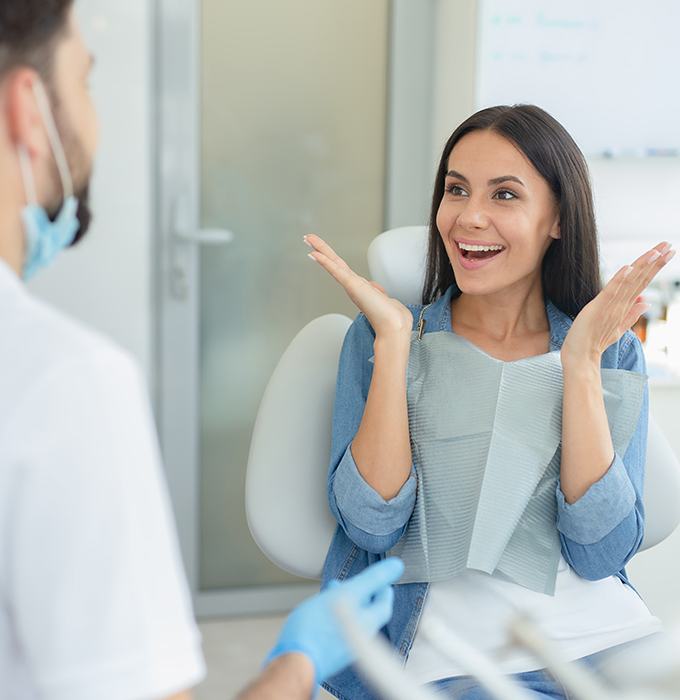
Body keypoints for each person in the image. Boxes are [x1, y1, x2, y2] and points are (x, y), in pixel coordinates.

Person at [0, 2, 401, 698]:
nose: (94, 122)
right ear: (28, 110)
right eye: (86, 82)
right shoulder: (63, 385)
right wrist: (298, 662)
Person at [306, 104, 675, 699]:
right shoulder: (385, 337)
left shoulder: (607, 351)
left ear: (557, 217)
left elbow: (600, 551)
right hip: (450, 656)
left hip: (601, 641)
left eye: (505, 195)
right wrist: (397, 346)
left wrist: (579, 364)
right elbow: (372, 525)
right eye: (456, 190)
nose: (468, 217)